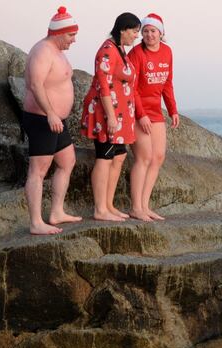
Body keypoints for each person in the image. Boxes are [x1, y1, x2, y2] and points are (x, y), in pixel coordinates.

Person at [21, 6, 82, 235]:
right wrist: (50, 113)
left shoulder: (57, 51)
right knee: (38, 170)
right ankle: (36, 222)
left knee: (67, 161)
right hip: (42, 119)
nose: (74, 40)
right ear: (58, 33)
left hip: (56, 120)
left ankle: (57, 212)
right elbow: (35, 85)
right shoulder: (42, 51)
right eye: (71, 35)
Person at [80, 13, 141, 221]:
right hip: (106, 114)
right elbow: (103, 87)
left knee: (119, 155)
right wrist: (112, 117)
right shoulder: (107, 50)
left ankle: (108, 204)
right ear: (123, 29)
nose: (136, 36)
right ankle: (99, 209)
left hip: (122, 115)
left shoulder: (120, 50)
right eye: (134, 31)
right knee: (104, 157)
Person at [127, 13, 179, 221]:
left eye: (153, 31)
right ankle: (135, 207)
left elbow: (167, 83)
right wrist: (140, 115)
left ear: (161, 33)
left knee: (158, 157)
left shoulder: (167, 52)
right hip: (138, 112)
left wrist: (173, 110)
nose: (149, 35)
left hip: (156, 112)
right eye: (145, 31)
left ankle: (145, 205)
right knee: (144, 157)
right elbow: (131, 87)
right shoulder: (136, 53)